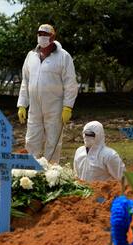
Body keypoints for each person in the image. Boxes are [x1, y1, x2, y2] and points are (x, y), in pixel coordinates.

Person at [17, 24, 78, 163]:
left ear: (53, 37)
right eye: (39, 34)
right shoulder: (31, 55)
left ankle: (51, 175)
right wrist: (22, 104)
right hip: (34, 107)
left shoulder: (63, 57)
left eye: (45, 34)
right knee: (31, 139)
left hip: (55, 106)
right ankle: (31, 173)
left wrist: (68, 106)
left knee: (53, 141)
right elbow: (25, 81)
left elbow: (70, 84)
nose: (42, 37)